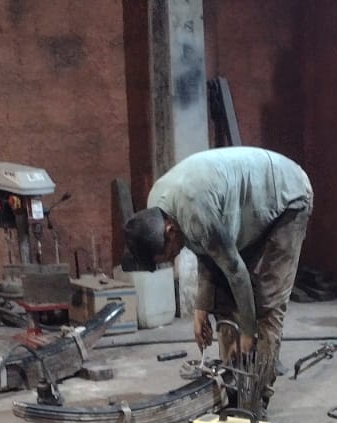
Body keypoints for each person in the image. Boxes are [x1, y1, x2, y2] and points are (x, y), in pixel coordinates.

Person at [122, 147, 313, 409]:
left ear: (169, 231)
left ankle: (256, 400)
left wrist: (249, 332)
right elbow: (204, 251)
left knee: (267, 305)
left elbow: (236, 272)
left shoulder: (194, 212)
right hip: (245, 209)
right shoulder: (157, 209)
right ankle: (232, 385)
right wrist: (201, 309)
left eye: (167, 255)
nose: (171, 259)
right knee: (223, 300)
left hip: (287, 197)